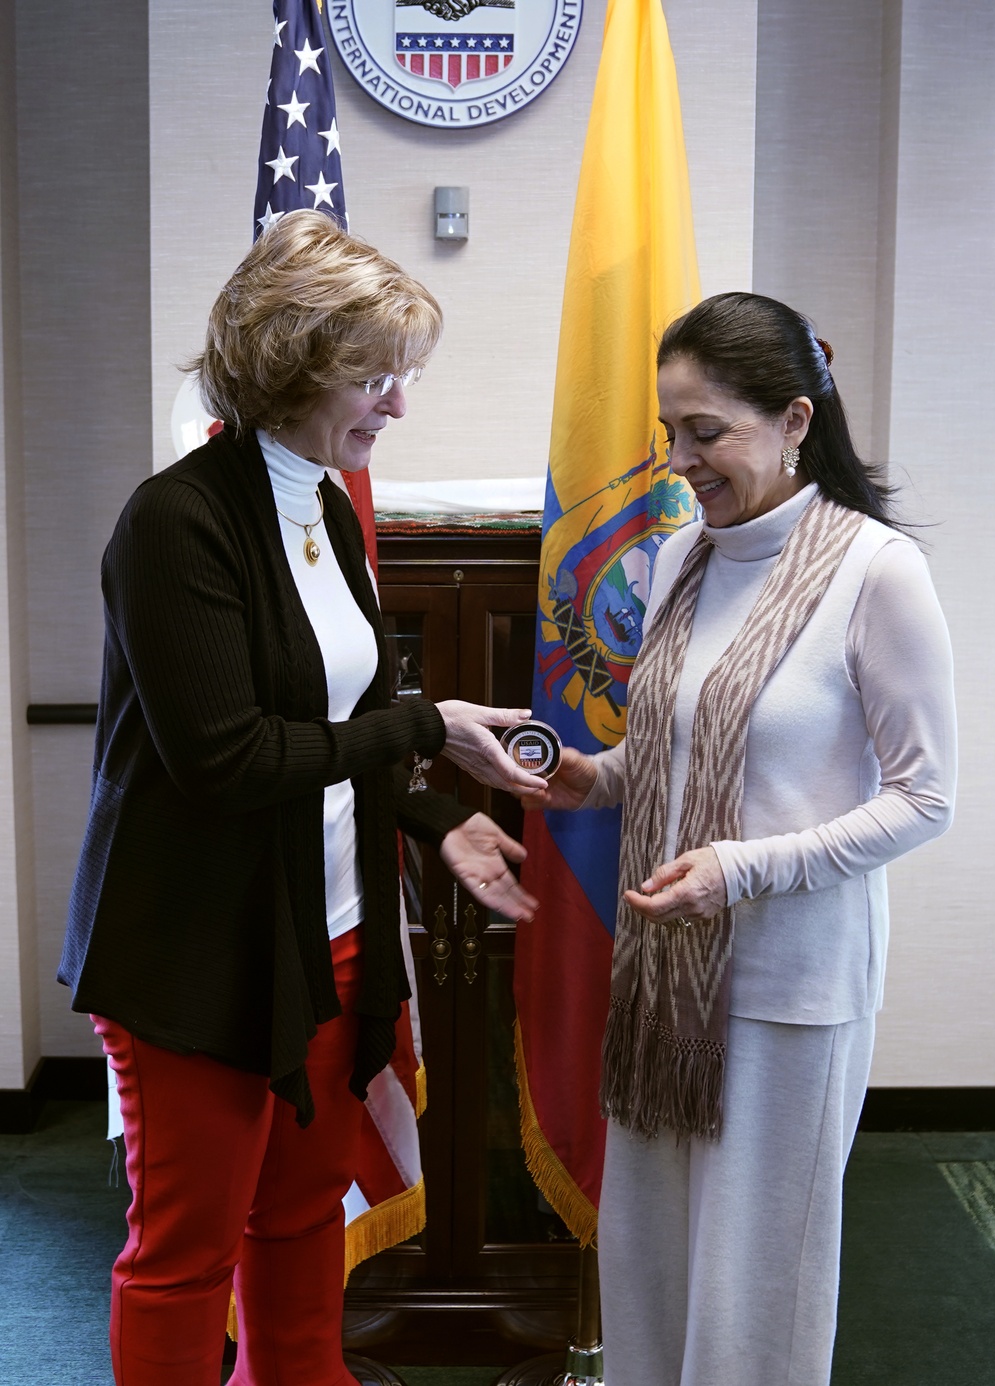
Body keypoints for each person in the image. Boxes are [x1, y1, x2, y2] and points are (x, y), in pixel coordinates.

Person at [58, 209, 544, 1386]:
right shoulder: (175, 521)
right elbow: (228, 759)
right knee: (184, 1256)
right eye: (376, 375)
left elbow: (338, 727)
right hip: (197, 955)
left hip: (331, 932)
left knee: (295, 1225)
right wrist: (426, 728)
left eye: (401, 374)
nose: (396, 404)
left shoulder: (325, 503)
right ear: (292, 365)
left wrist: (436, 816)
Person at [523, 292, 957, 1386]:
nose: (680, 460)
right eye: (671, 431)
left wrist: (742, 870)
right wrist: (586, 779)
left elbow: (923, 797)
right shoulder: (680, 557)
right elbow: (667, 754)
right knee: (652, 1278)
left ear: (795, 420)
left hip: (786, 991)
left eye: (705, 431)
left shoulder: (875, 571)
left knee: (753, 1299)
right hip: (664, 982)